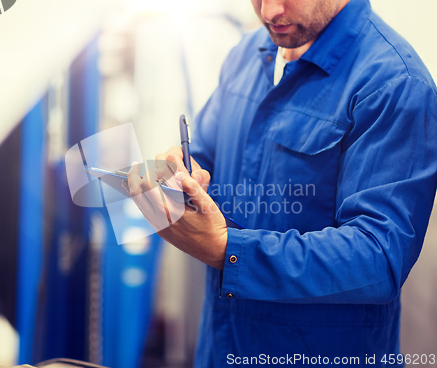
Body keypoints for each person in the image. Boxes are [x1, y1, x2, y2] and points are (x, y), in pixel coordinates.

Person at [126, 0, 437, 365]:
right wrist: (180, 176)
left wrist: (229, 250)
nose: (269, 11)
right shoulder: (247, 53)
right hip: (222, 347)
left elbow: (378, 258)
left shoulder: (392, 84)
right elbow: (205, 156)